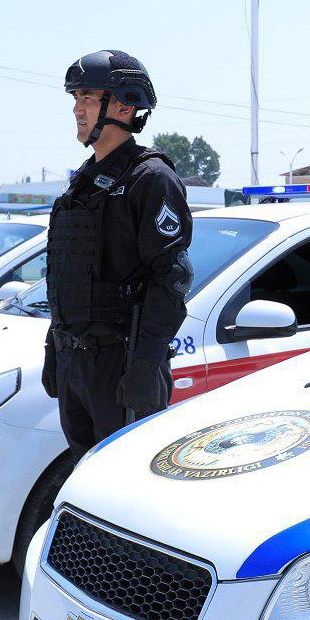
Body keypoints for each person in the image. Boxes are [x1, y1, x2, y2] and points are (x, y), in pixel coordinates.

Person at [42, 49, 192, 463]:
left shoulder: (151, 178)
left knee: (126, 480)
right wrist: (55, 346)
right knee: (85, 474)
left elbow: (171, 279)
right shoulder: (83, 182)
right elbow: (66, 272)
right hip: (76, 363)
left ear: (124, 106)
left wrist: (144, 366)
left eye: (88, 98)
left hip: (121, 363)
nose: (77, 109)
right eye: (76, 99)